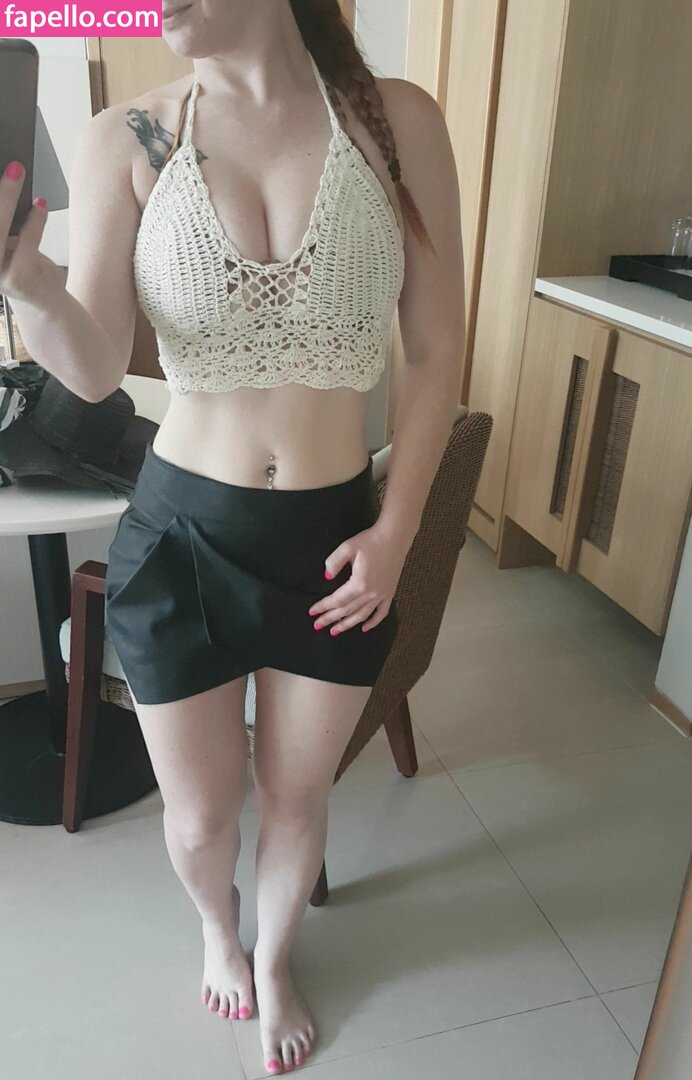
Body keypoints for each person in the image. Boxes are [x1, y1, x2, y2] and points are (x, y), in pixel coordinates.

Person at [1, 0, 464, 1073]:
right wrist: (27, 284)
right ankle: (219, 929)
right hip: (182, 533)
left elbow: (437, 351)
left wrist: (398, 531)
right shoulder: (127, 136)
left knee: (298, 799)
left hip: (335, 537)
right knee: (204, 819)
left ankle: (279, 954)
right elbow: (95, 366)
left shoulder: (395, 122)